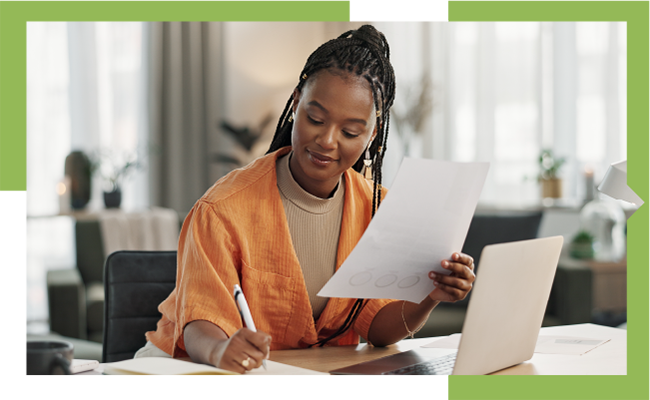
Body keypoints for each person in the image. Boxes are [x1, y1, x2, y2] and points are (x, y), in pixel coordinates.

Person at [137, 24, 475, 374]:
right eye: (315, 118)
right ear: (296, 103)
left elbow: (379, 331)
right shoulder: (222, 209)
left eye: (350, 132)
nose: (327, 141)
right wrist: (222, 349)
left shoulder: (378, 210)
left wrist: (430, 296)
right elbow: (199, 325)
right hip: (191, 366)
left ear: (372, 135)